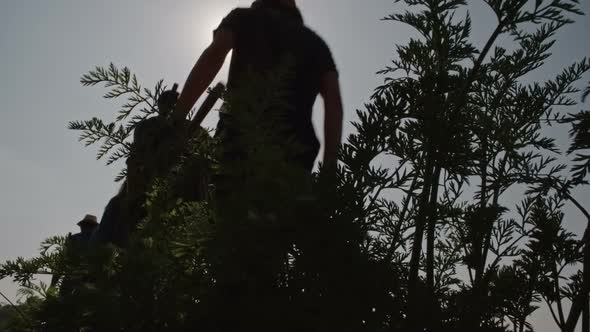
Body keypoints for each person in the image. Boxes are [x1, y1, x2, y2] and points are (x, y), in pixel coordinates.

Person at [174, 0, 343, 174]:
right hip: (293, 159)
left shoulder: (244, 18)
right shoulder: (316, 44)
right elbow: (333, 103)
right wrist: (330, 168)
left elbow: (214, 56)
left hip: (236, 148)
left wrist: (176, 119)